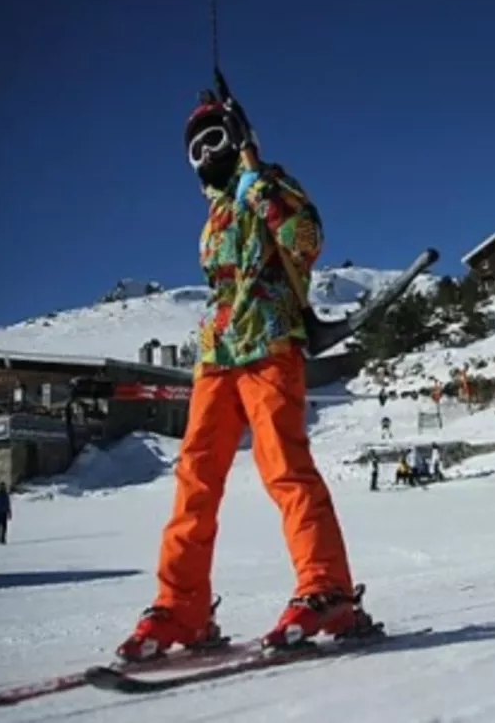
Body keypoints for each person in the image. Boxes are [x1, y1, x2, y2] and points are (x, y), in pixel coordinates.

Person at [115, 84, 376, 662]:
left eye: (217, 138)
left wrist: (256, 171)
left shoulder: (273, 185)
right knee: (195, 477)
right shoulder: (214, 217)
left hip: (269, 343)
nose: (207, 153)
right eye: (195, 147)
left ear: (239, 138)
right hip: (217, 356)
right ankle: (180, 606)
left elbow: (303, 241)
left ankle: (325, 586)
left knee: (284, 466)